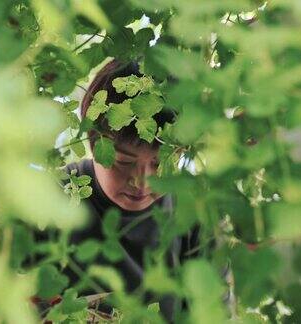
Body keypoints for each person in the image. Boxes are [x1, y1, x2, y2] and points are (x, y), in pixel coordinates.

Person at [57, 60, 198, 322]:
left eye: (160, 163)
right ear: (93, 144)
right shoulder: (49, 200)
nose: (143, 182)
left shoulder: (193, 211)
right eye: (124, 162)